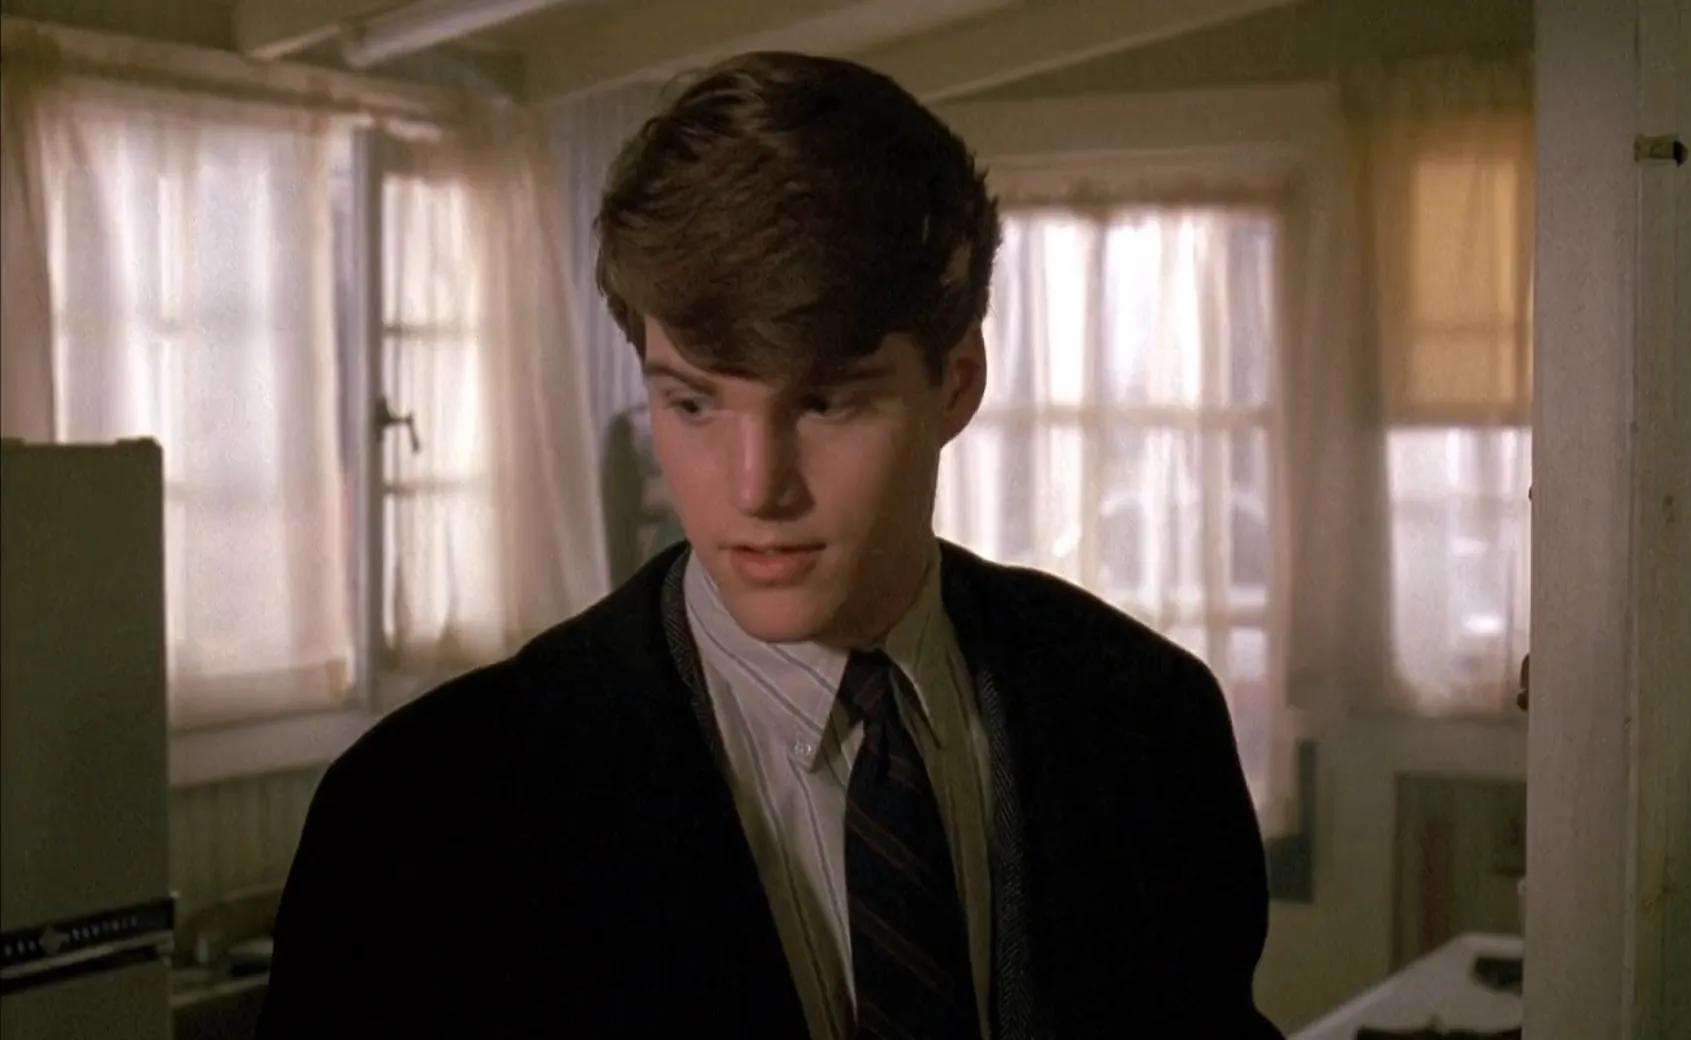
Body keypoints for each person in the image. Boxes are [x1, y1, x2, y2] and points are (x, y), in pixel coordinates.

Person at [258, 51, 1282, 1040]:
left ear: (958, 383)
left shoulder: (1143, 717)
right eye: (694, 403)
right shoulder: (424, 812)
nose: (755, 489)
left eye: (827, 402)